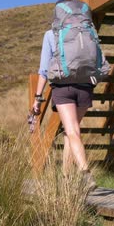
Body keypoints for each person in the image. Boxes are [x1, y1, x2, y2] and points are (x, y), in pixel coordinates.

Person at [32, 20, 97, 190]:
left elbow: (44, 71)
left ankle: (85, 173)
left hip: (63, 88)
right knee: (70, 132)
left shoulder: (50, 35)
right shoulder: (87, 33)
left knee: (72, 131)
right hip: (85, 87)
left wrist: (37, 98)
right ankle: (66, 178)